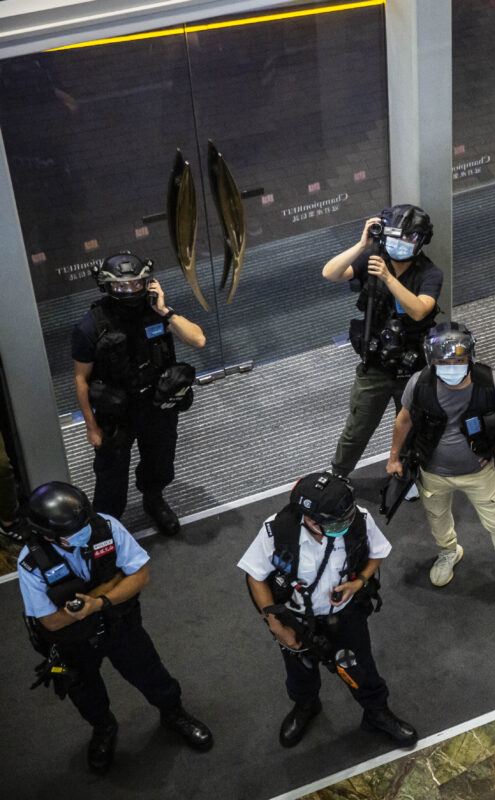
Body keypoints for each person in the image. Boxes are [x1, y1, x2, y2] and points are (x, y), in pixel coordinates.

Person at [18, 481, 212, 773]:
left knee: (152, 674)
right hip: (73, 644)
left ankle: (173, 713)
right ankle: (104, 729)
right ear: (49, 536)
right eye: (74, 530)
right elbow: (51, 621)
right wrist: (112, 585)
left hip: (120, 625)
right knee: (85, 692)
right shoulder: (31, 563)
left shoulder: (105, 527)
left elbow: (140, 576)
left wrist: (96, 602)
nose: (85, 530)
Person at [239, 472, 417, 748]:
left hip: (346, 615)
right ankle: (306, 706)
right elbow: (255, 575)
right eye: (334, 522)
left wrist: (359, 582)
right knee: (300, 670)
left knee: (361, 667)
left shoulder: (357, 518)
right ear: (308, 518)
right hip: (295, 619)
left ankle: (376, 713)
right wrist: (276, 625)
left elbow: (378, 551)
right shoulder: (278, 531)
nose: (344, 524)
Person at [386, 322, 495, 603]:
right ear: (431, 360)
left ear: (469, 357)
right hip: (432, 471)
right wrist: (394, 457)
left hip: (479, 472)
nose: (451, 366)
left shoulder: (490, 381)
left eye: (458, 360)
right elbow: (404, 419)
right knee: (437, 517)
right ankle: (449, 551)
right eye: (443, 361)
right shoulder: (420, 383)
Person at [71, 252, 205, 535]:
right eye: (121, 286)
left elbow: (198, 339)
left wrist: (164, 310)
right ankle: (107, 527)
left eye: (136, 284)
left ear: (147, 282)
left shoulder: (155, 309)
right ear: (106, 286)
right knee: (110, 477)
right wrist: (91, 428)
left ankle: (153, 500)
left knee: (160, 462)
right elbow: (81, 379)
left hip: (156, 405)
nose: (129, 291)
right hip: (116, 412)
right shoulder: (90, 325)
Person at [322, 204, 443, 479]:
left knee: (412, 425)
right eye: (395, 236)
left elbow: (419, 310)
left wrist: (387, 278)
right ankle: (339, 474)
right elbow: (330, 273)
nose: (400, 244)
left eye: (409, 238)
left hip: (413, 367)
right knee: (358, 427)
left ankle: (404, 471)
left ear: (421, 241)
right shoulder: (372, 257)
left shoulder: (429, 273)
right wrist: (362, 244)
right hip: (374, 366)